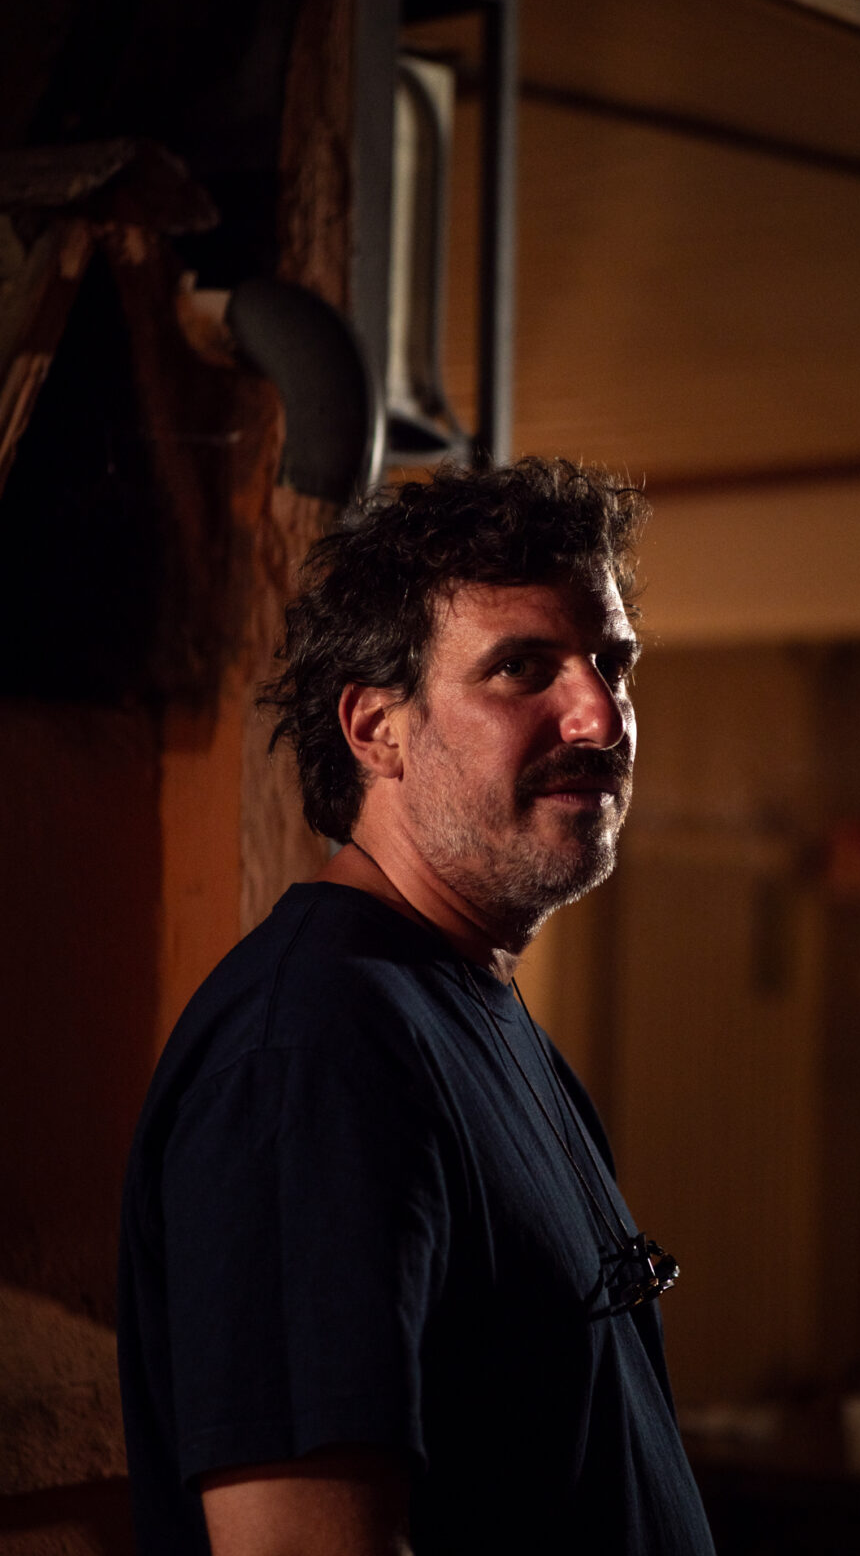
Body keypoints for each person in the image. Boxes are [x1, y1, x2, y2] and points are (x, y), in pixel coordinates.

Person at [117, 456, 717, 1556]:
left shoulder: (470, 1008)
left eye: (611, 661)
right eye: (522, 668)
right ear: (376, 729)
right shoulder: (314, 1053)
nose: (600, 714)